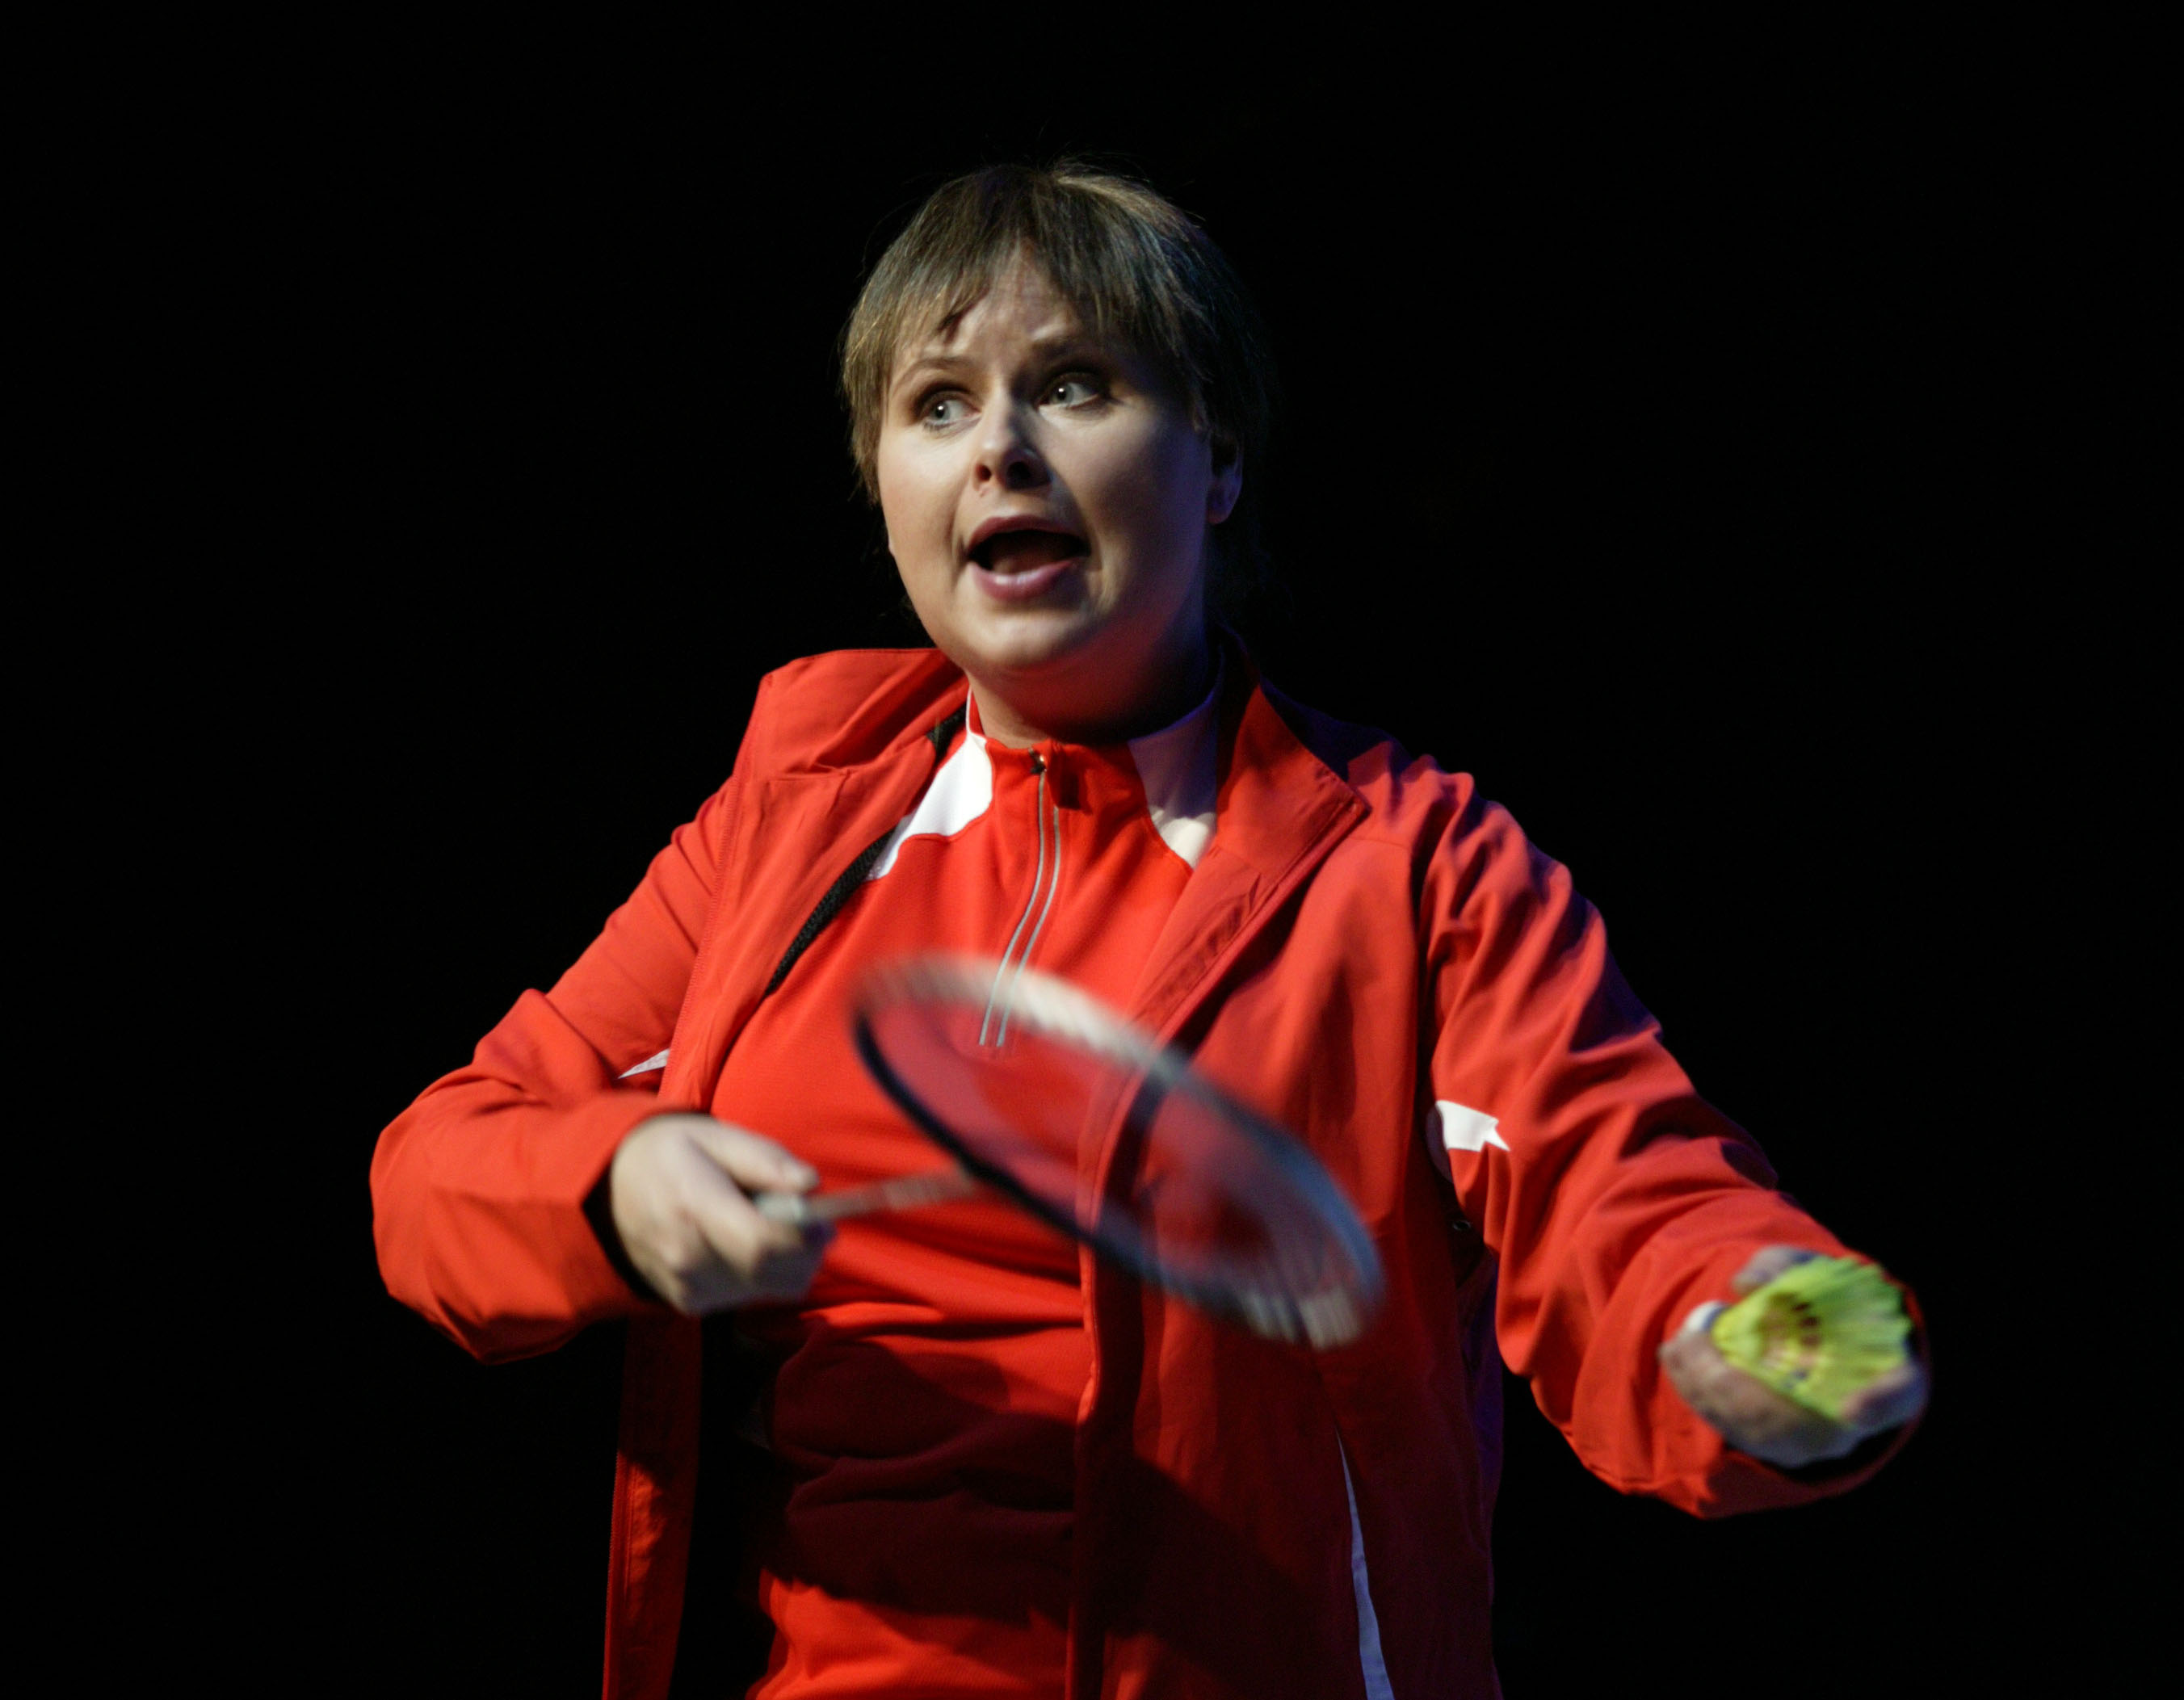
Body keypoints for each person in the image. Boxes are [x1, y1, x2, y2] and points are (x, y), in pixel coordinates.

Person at [372, 163, 1927, 1700]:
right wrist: (615, 1182)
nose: (1000, 447)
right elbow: (439, 1169)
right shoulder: (784, 824)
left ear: (1218, 458)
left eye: (1073, 386)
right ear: (882, 487)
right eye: (936, 405)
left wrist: (1780, 1326)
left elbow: (1629, 1200)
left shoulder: (1413, 864)